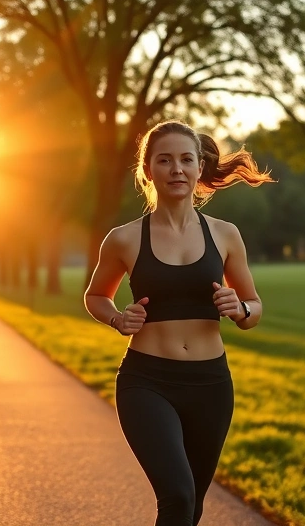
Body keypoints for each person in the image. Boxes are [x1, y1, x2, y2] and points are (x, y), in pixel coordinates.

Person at [84, 120, 274, 526]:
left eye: (186, 159)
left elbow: (254, 308)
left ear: (200, 166)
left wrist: (238, 308)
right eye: (165, 160)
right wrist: (118, 318)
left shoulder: (226, 235)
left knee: (191, 508)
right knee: (178, 495)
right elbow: (95, 296)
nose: (176, 169)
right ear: (148, 169)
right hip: (146, 382)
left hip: (211, 385)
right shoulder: (124, 238)